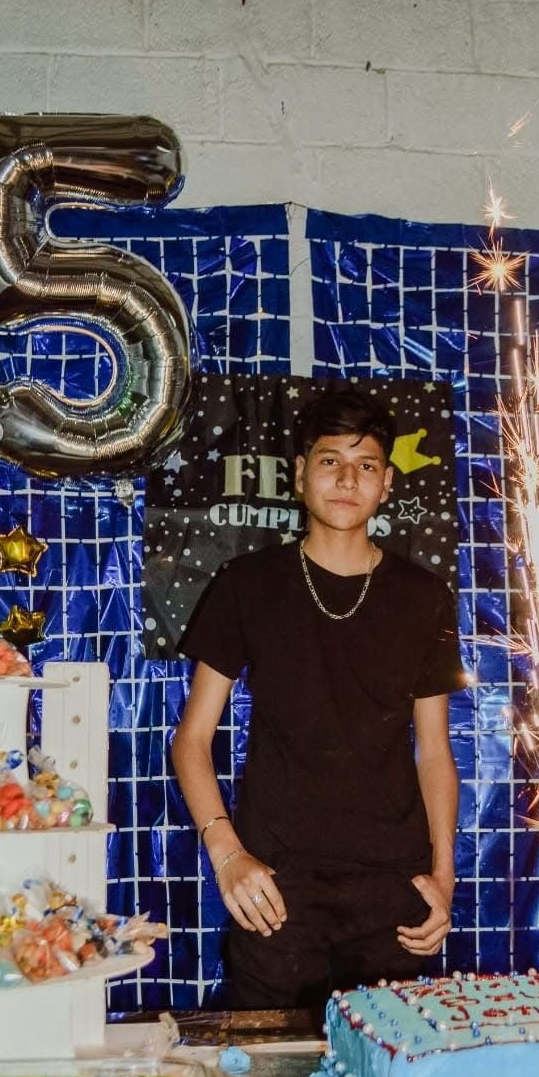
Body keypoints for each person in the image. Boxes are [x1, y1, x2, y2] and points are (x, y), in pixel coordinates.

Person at [172, 387, 463, 1009]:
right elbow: (192, 739)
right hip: (278, 892)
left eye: (366, 465)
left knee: (389, 1065)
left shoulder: (424, 597)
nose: (347, 480)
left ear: (386, 483)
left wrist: (443, 876)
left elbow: (435, 751)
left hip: (393, 894)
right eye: (331, 461)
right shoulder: (247, 585)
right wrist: (226, 853)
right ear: (301, 473)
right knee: (269, 1064)